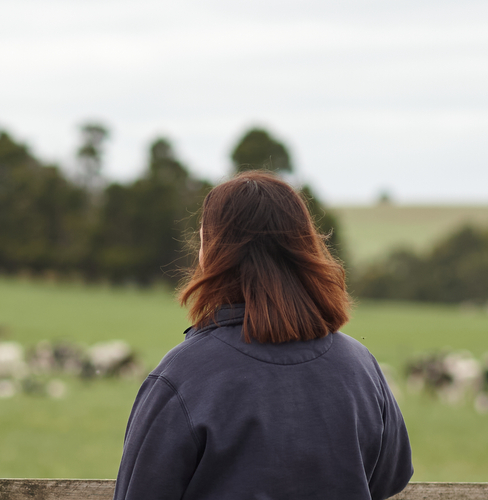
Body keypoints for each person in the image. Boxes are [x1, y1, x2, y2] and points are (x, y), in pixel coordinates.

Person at [114, 171, 412, 500]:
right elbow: (389, 478)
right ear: (304, 247)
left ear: (212, 254)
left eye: (201, 240)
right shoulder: (360, 366)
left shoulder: (182, 375)